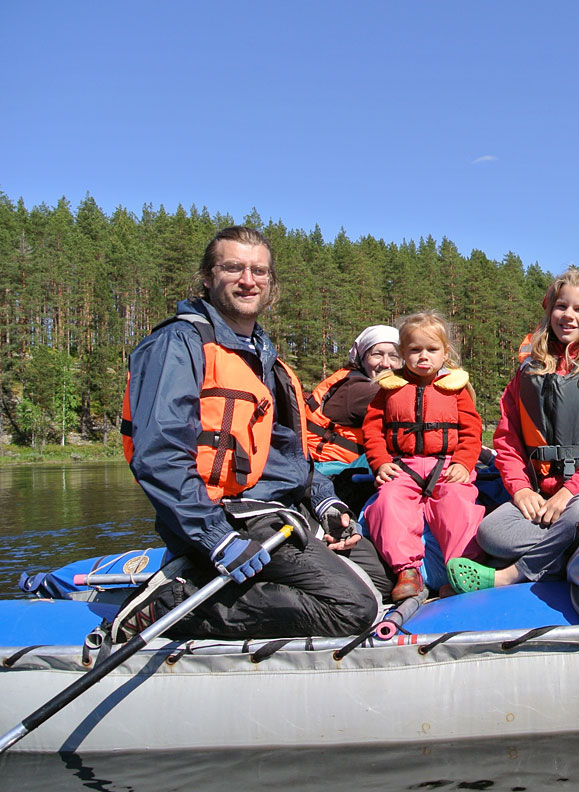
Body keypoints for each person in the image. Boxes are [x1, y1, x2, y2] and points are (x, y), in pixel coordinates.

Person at [119, 226, 390, 641]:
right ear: (208, 278)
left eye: (259, 271)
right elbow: (158, 455)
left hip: (275, 511)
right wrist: (214, 536)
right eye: (233, 268)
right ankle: (169, 605)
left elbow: (287, 457)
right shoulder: (178, 343)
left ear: (270, 284)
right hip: (222, 515)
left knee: (383, 579)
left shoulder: (265, 358)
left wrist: (326, 501)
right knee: (354, 607)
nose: (248, 280)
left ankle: (224, 583)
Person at [446, 267, 579, 593]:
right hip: (542, 495)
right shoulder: (528, 371)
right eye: (561, 306)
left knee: (577, 515)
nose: (568, 316)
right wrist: (521, 489)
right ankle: (573, 555)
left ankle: (512, 575)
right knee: (492, 533)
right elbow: (507, 438)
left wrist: (571, 491)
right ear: (550, 310)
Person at [361, 311, 484, 601]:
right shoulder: (389, 389)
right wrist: (380, 463)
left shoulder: (456, 389)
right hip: (404, 466)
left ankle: (459, 572)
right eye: (415, 350)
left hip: (448, 465)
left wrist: (464, 464)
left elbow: (471, 431)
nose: (423, 357)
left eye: (432, 350)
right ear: (403, 353)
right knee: (388, 502)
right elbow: (372, 430)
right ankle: (408, 570)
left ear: (445, 353)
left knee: (459, 504)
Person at [305, 324, 401, 513]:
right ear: (362, 358)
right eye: (377, 355)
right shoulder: (358, 389)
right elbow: (409, 412)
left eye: (394, 356)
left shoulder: (358, 380)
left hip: (343, 465)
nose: (386, 363)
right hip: (328, 471)